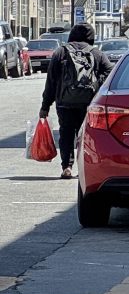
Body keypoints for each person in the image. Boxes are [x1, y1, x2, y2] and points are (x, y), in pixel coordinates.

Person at [38, 23, 114, 179]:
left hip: (64, 102)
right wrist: (96, 85)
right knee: (86, 136)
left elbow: (51, 82)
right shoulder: (97, 53)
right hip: (88, 103)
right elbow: (110, 72)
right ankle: (84, 168)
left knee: (66, 134)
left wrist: (45, 106)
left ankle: (67, 166)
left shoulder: (61, 52)